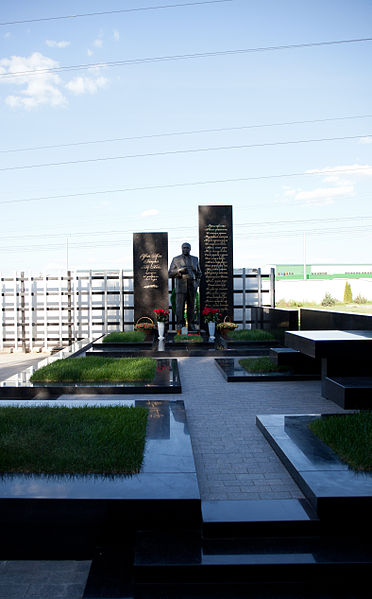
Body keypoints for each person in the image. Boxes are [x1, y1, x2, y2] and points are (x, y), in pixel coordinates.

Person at [168, 242, 202, 331]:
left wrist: (197, 284)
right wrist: (179, 270)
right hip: (181, 286)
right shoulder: (176, 259)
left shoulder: (195, 259)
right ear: (181, 248)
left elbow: (199, 273)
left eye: (187, 248)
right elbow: (170, 273)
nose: (185, 249)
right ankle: (180, 324)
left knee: (192, 306)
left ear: (190, 249)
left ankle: (191, 324)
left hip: (192, 286)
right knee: (180, 307)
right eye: (184, 248)